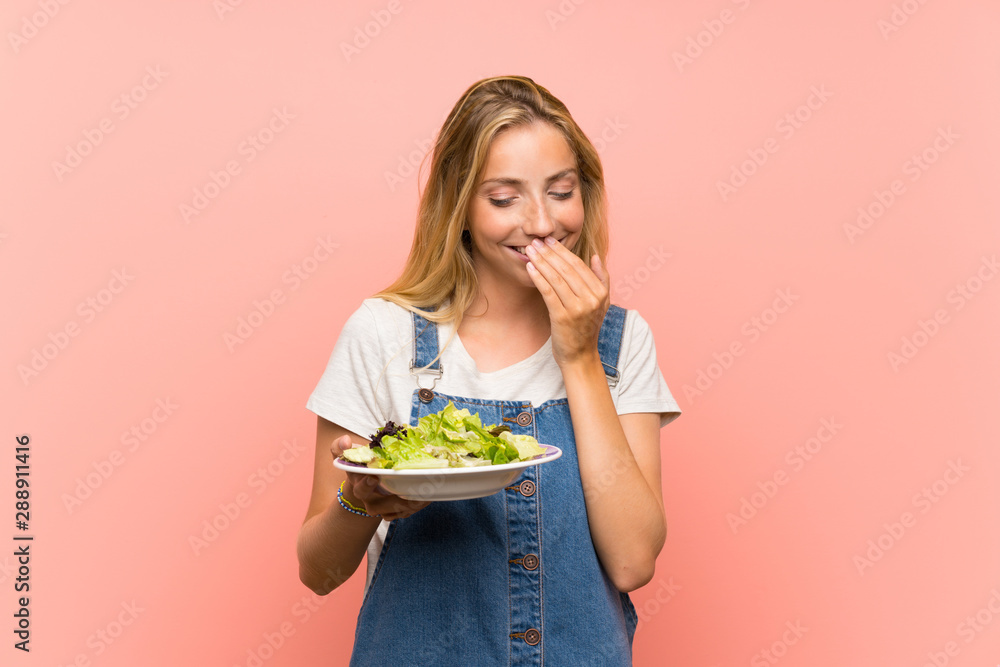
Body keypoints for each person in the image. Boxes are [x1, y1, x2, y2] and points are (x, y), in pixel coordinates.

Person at [296, 75, 681, 666]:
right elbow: (318, 572)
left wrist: (578, 355)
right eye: (505, 199)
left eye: (561, 191)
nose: (541, 222)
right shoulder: (382, 335)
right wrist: (358, 500)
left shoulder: (622, 342)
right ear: (461, 208)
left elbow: (633, 561)